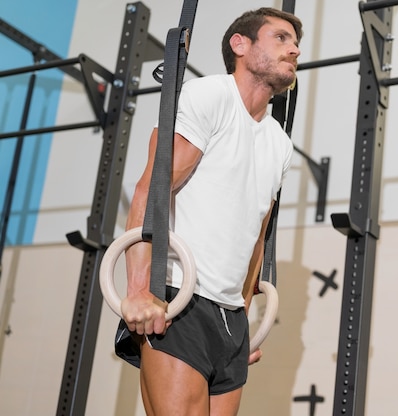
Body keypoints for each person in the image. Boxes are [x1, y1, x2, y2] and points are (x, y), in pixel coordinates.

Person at [115, 7, 302, 415]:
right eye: (281, 38)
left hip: (231, 319)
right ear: (240, 44)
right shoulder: (211, 96)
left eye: (295, 43)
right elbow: (153, 189)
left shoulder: (279, 142)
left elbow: (258, 234)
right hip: (180, 302)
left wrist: (243, 327)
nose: (295, 50)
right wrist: (139, 291)